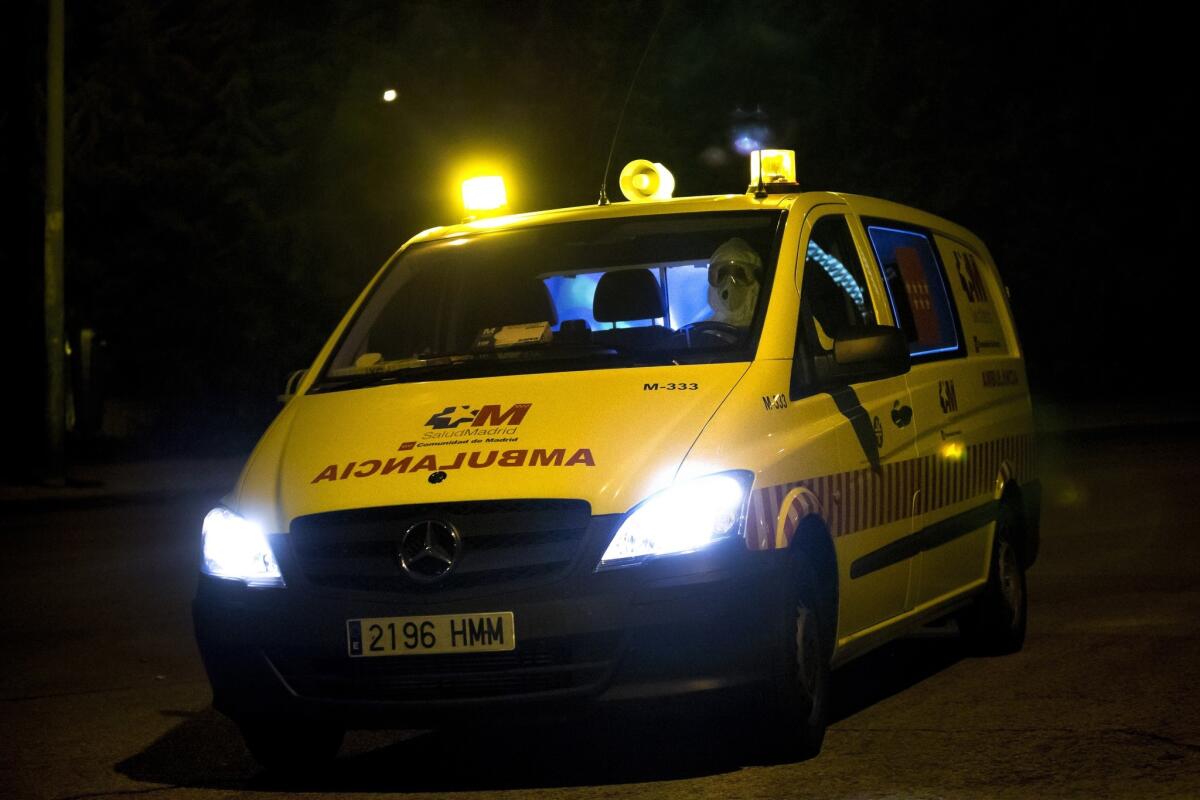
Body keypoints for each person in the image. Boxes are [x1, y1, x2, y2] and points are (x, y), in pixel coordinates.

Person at [707, 237, 763, 327]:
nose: (729, 284)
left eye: (740, 275)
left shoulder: (768, 327)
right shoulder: (704, 332)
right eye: (722, 275)